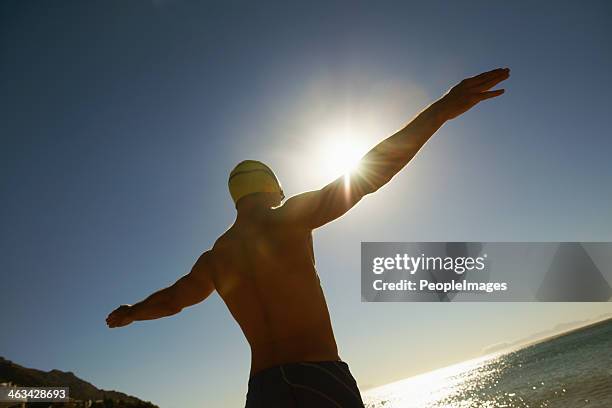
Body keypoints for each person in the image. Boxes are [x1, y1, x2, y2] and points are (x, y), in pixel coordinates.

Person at [106, 67, 510, 407]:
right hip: (318, 379)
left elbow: (174, 301)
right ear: (272, 190)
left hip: (263, 390)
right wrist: (441, 109)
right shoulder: (288, 217)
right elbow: (371, 173)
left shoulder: (215, 258)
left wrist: (132, 311)